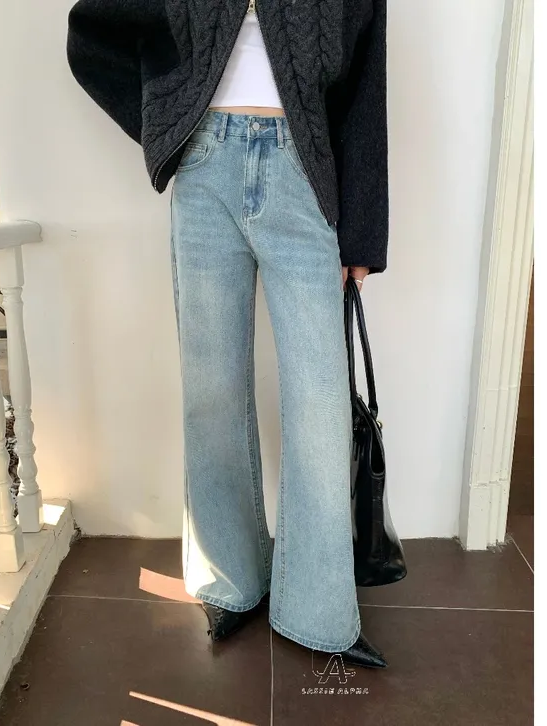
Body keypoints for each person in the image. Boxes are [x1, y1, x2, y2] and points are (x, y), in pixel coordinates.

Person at [67, 0, 390, 668]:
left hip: (305, 170)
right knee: (211, 392)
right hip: (205, 165)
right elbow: (92, 29)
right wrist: (168, 125)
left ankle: (319, 610)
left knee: (320, 404)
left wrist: (362, 232)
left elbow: (366, 77)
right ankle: (231, 580)